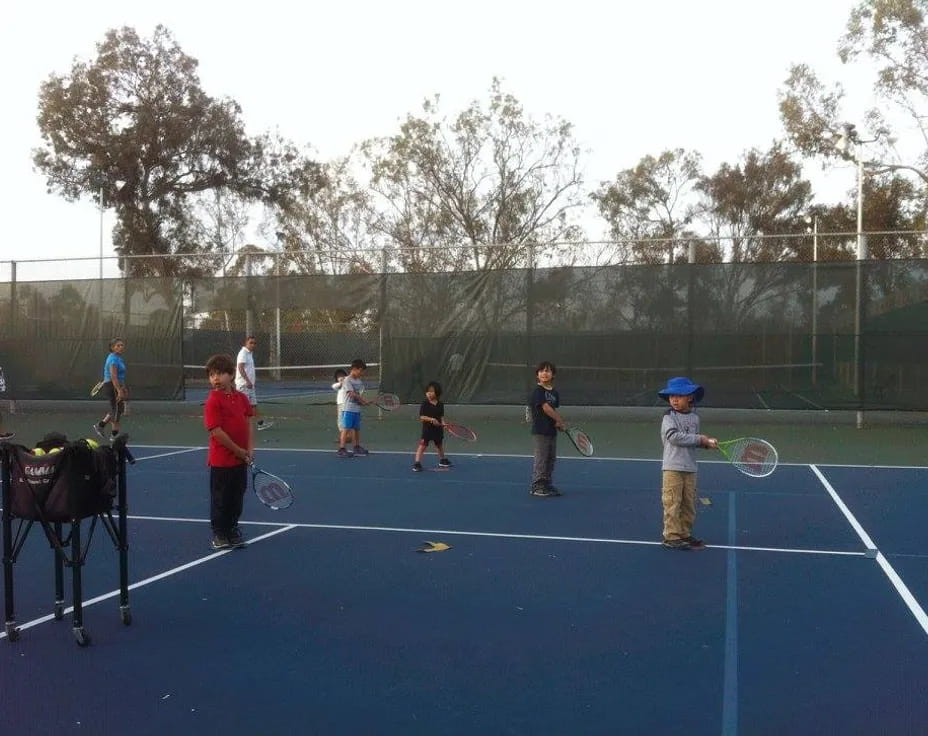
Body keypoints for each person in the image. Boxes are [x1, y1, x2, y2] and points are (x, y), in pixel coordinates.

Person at [657, 376, 718, 550]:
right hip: (672, 467)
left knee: (688, 503)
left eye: (679, 395)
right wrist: (701, 439)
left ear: (690, 397)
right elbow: (674, 437)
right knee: (672, 501)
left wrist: (706, 445)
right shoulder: (668, 416)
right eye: (671, 396)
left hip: (690, 467)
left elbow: (692, 442)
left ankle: (684, 534)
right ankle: (671, 536)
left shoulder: (695, 418)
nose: (674, 399)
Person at [204, 353, 254, 550]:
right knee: (221, 499)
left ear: (231, 375)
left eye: (220, 374)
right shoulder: (212, 401)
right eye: (211, 375)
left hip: (240, 461)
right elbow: (216, 432)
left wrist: (250, 449)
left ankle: (232, 529)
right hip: (221, 462)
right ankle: (219, 533)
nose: (215, 378)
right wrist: (239, 450)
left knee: (237, 497)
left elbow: (249, 423)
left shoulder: (241, 398)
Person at [528, 361, 566, 497]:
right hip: (540, 431)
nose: (544, 373)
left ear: (553, 374)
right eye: (542, 371)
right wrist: (559, 420)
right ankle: (537, 486)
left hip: (551, 431)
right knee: (542, 458)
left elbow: (553, 409)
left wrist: (557, 424)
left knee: (551, 458)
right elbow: (546, 408)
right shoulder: (538, 391)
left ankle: (547, 484)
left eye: (548, 371)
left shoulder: (554, 393)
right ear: (537, 375)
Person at [93, 337, 128, 441]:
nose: (121, 347)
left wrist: (123, 387)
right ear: (112, 348)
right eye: (118, 345)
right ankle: (114, 436)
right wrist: (119, 390)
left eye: (122, 345)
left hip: (117, 385)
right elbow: (113, 376)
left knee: (117, 409)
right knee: (117, 411)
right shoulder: (112, 359)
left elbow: (121, 375)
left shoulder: (118, 358)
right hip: (112, 386)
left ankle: (100, 425)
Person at [235, 335, 273, 431]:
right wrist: (247, 381)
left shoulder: (249, 354)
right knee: (243, 407)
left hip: (250, 386)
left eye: (254, 343)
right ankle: (237, 425)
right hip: (243, 385)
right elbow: (240, 367)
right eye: (251, 343)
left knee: (253, 405)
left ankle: (260, 423)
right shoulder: (243, 353)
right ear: (246, 343)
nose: (253, 345)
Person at [413, 381, 452, 472]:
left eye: (431, 391)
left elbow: (441, 416)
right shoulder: (425, 404)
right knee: (423, 445)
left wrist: (443, 423)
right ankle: (417, 463)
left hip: (438, 429)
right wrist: (431, 419)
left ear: (437, 393)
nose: (429, 393)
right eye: (427, 392)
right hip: (427, 429)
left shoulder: (440, 404)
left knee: (439, 445)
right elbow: (422, 417)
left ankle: (442, 460)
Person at [337, 358, 370, 458]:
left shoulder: (359, 382)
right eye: (361, 370)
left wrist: (362, 402)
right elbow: (351, 394)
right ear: (355, 369)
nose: (362, 373)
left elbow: (358, 395)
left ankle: (356, 447)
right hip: (348, 409)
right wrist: (363, 400)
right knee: (346, 429)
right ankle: (341, 449)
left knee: (356, 429)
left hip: (356, 409)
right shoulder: (347, 380)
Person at [331, 367, 348, 444]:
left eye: (342, 375)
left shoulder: (348, 384)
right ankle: (344, 436)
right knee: (340, 421)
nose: (340, 377)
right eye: (338, 376)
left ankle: (346, 437)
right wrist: (341, 383)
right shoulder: (337, 386)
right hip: (340, 404)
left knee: (345, 421)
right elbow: (333, 386)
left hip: (346, 405)